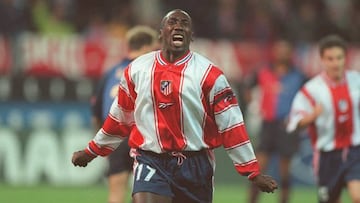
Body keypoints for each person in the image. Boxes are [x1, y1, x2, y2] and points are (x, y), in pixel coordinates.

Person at [72, 9, 278, 203]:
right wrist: (91, 151)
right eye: (172, 22)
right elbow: (119, 119)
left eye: (184, 24)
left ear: (192, 36)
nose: (178, 26)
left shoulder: (210, 75)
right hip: (151, 159)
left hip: (196, 165)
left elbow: (231, 125)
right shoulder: (137, 70)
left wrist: (252, 172)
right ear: (161, 34)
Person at [287, 34, 360, 203]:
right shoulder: (312, 89)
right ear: (322, 60)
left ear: (345, 58)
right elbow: (294, 122)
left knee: (358, 197)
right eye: (330, 59)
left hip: (355, 151)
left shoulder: (356, 81)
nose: (336, 63)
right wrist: (311, 116)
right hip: (327, 155)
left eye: (339, 58)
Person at [91, 26, 158, 203]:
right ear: (145, 48)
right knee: (144, 194)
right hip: (142, 138)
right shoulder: (149, 71)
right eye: (153, 49)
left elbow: (96, 115)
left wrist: (106, 141)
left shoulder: (109, 73)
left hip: (116, 138)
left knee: (116, 193)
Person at [247, 39, 307, 203]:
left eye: (286, 50)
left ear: (291, 54)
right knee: (258, 170)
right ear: (274, 52)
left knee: (285, 172)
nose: (282, 53)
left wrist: (298, 118)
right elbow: (248, 88)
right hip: (268, 125)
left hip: (287, 126)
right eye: (279, 50)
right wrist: (254, 104)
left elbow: (309, 99)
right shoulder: (263, 72)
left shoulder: (299, 76)